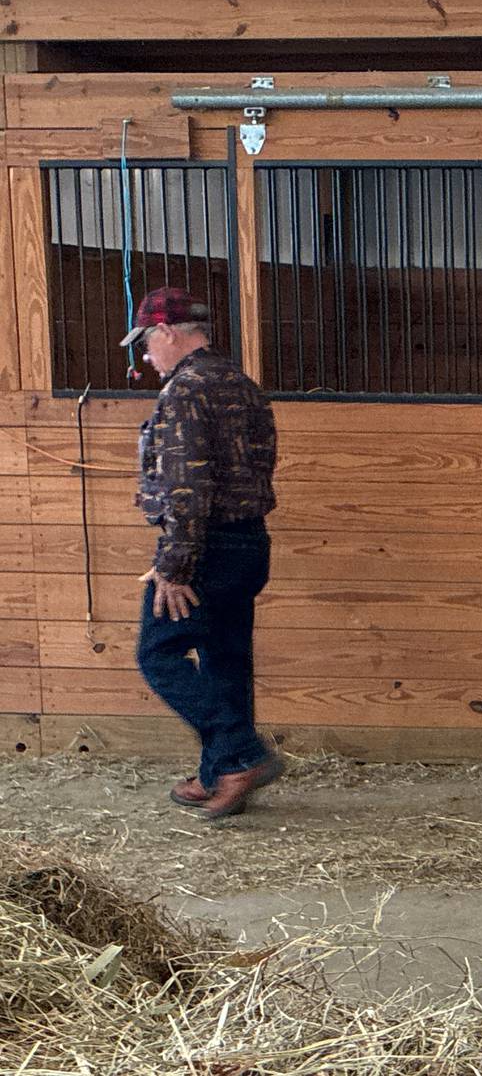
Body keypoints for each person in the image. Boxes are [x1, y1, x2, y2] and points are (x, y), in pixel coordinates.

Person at [123, 288, 282, 820]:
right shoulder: (241, 384)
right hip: (248, 542)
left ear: (167, 332)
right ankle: (221, 774)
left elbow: (188, 486)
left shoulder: (185, 390)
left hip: (204, 547)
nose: (146, 356)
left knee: (159, 655)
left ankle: (242, 755)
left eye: (146, 342)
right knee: (225, 658)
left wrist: (174, 565)